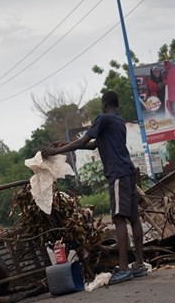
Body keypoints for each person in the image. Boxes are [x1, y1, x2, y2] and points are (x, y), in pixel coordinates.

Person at [41, 91, 147, 284]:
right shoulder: (118, 122)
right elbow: (92, 145)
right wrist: (65, 144)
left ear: (104, 104)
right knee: (134, 218)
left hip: (117, 174)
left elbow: (83, 141)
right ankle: (139, 264)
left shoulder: (103, 118)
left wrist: (55, 151)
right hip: (129, 172)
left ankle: (124, 269)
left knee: (118, 218)